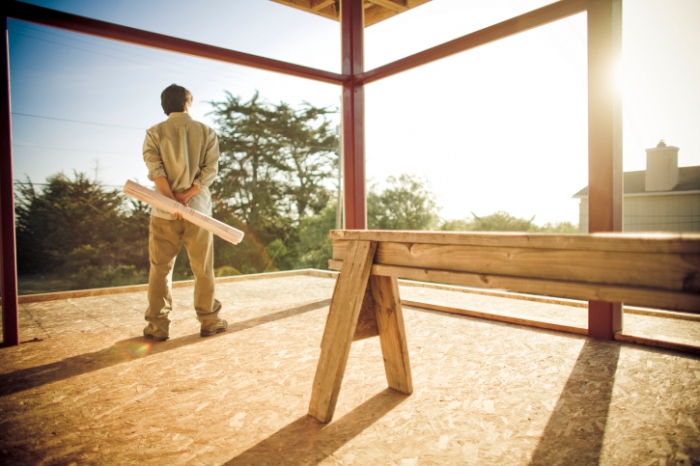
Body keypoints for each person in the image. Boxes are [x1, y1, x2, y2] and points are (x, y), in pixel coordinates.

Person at [141, 84, 227, 341]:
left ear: (164, 106)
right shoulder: (206, 131)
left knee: (160, 269)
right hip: (197, 212)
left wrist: (171, 202)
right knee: (203, 269)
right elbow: (210, 171)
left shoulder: (154, 132)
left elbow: (155, 170)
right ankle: (209, 321)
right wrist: (185, 198)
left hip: (163, 212)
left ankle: (157, 327)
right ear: (187, 104)